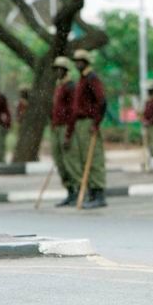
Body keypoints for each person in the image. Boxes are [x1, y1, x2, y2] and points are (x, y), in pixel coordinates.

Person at [68, 49, 107, 209]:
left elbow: (102, 101)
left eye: (80, 61)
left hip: (89, 122)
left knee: (94, 159)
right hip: (80, 122)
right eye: (75, 61)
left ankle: (99, 194)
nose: (77, 64)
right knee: (85, 159)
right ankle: (91, 193)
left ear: (86, 62)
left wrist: (96, 123)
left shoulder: (92, 77)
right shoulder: (81, 79)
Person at [51, 56, 81, 207]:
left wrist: (69, 133)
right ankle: (70, 191)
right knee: (60, 162)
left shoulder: (70, 86)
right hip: (56, 127)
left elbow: (72, 111)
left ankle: (80, 192)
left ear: (65, 70)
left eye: (59, 69)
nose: (57, 72)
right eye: (55, 69)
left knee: (71, 162)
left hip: (67, 127)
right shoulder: (59, 86)